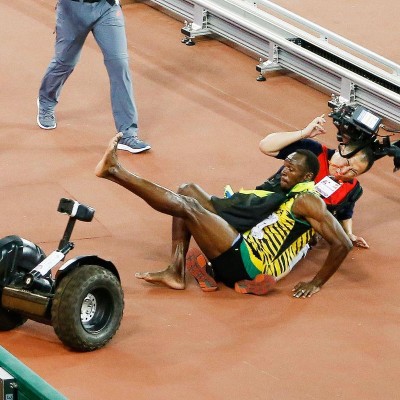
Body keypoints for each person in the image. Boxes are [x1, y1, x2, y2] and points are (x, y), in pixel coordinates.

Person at [95, 133, 353, 298]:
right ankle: (176, 270)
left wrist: (316, 283)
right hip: (241, 248)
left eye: (291, 169)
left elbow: (343, 243)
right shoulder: (288, 191)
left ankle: (116, 172)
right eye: (284, 167)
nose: (284, 173)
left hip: (251, 263)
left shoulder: (308, 200)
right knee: (187, 193)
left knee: (188, 207)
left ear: (307, 177)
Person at [37, 0, 150, 154]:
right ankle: (46, 102)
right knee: (65, 62)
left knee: (119, 65)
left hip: (107, 8)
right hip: (72, 9)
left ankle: (127, 134)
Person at [258, 115, 375, 248]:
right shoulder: (313, 152)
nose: (343, 171)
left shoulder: (353, 188)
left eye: (353, 171)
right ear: (341, 149)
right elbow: (266, 146)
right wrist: (303, 133)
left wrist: (348, 234)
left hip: (291, 234)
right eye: (346, 162)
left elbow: (345, 213)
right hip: (266, 208)